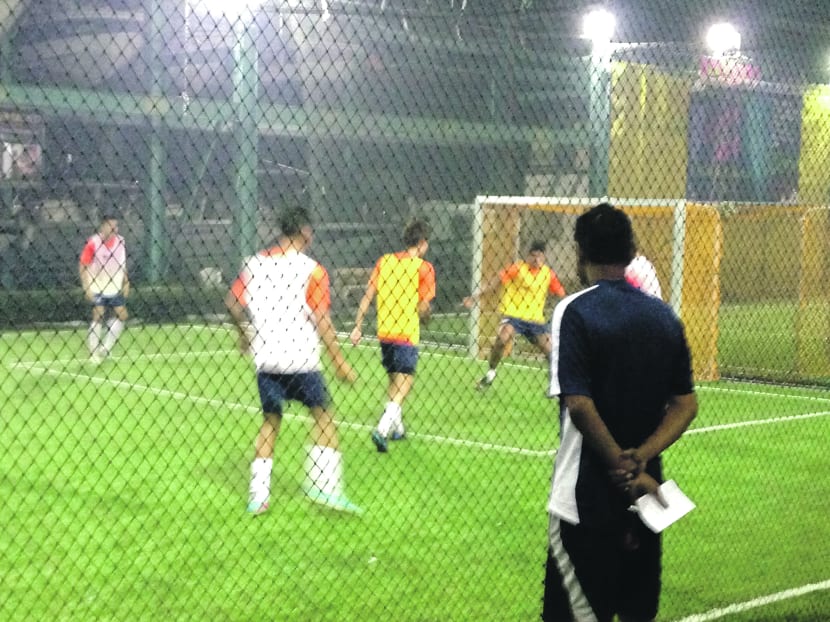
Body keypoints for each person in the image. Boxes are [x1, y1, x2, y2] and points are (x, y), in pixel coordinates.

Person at [542, 203, 698, 621]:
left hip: (584, 503)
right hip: (647, 502)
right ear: (632, 251)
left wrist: (623, 468)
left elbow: (578, 404)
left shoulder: (573, 311)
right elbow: (686, 404)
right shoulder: (665, 318)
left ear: (580, 254)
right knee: (635, 612)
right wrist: (642, 459)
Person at [225, 207, 361, 515]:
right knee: (324, 416)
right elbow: (322, 320)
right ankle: (326, 487)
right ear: (305, 232)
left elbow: (232, 304)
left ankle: (258, 496)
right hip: (301, 360)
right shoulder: (312, 270)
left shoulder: (254, 264)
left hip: (267, 361)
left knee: (270, 423)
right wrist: (339, 360)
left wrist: (243, 334)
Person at [349, 219, 435, 453]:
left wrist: (358, 325)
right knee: (406, 381)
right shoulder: (423, 268)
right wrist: (426, 315)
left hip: (385, 331)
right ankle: (383, 428)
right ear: (423, 243)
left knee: (393, 379)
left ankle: (397, 428)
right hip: (406, 332)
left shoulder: (385, 261)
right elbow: (424, 306)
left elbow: (368, 294)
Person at [462, 240, 565, 390]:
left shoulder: (548, 274)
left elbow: (561, 294)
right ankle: (491, 373)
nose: (536, 260)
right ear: (527, 256)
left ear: (544, 257)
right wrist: (475, 296)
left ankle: (555, 385)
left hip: (535, 320)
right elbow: (494, 283)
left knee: (552, 352)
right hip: (513, 315)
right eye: (533, 256)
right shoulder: (517, 269)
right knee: (502, 339)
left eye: (539, 256)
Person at [79, 212, 129, 364]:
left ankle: (105, 348)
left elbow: (122, 264)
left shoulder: (121, 241)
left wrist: (126, 282)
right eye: (110, 226)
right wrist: (86, 287)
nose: (114, 229)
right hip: (97, 285)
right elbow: (83, 264)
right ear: (103, 226)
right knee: (98, 315)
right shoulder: (93, 242)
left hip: (114, 285)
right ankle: (93, 353)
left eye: (116, 226)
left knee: (122, 316)